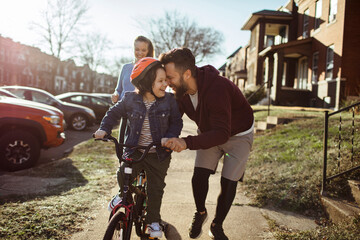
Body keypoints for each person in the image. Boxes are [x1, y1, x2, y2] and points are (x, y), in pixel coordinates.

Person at [159, 48, 254, 240]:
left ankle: (216, 225)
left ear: (187, 74)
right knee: (199, 176)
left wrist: (186, 142)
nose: (168, 83)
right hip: (212, 132)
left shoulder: (217, 88)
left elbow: (222, 133)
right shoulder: (181, 91)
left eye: (170, 77)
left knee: (228, 181)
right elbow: (172, 119)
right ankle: (201, 213)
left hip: (239, 135)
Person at [94, 57, 183, 238]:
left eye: (166, 80)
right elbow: (112, 113)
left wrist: (170, 137)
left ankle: (153, 221)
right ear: (145, 83)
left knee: (155, 189)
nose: (165, 84)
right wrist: (104, 129)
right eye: (160, 81)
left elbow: (176, 121)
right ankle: (123, 196)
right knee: (123, 174)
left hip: (158, 154)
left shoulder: (169, 101)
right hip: (135, 150)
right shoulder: (130, 99)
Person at [111, 35, 154, 104]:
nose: (140, 53)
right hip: (122, 107)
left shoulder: (151, 69)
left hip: (139, 109)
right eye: (137, 49)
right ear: (133, 49)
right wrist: (115, 95)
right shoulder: (125, 67)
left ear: (148, 51)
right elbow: (118, 90)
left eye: (143, 50)